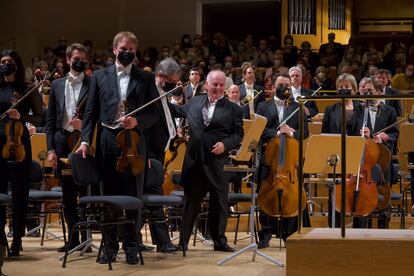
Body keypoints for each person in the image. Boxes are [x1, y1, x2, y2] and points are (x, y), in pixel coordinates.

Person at [76, 31, 159, 265]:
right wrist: (84, 140)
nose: (127, 53)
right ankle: (109, 246)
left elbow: (154, 114)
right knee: (107, 197)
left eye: (131, 50)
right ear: (114, 50)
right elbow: (90, 113)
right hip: (107, 140)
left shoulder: (145, 78)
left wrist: (138, 122)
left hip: (134, 141)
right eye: (123, 49)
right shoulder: (99, 77)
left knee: (133, 196)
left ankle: (132, 247)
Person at [172, 70, 243, 252]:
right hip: (194, 160)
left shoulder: (234, 109)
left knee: (219, 202)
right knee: (190, 202)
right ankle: (183, 242)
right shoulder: (195, 101)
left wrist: (225, 144)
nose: (219, 88)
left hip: (217, 161)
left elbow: (237, 135)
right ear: (207, 85)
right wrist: (168, 97)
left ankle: (219, 242)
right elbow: (177, 111)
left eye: (221, 85)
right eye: (215, 85)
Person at [256, 73, 310, 248]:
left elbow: (305, 132)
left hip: (290, 161)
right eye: (280, 85)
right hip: (269, 160)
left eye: (287, 85)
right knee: (265, 195)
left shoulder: (297, 107)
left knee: (291, 196)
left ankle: (289, 234)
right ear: (274, 85)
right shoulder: (263, 107)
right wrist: (277, 133)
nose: (284, 88)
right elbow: (260, 131)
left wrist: (292, 132)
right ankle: (265, 235)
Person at [46, 43, 91, 252]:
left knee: (85, 191)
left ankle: (87, 239)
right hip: (63, 143)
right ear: (67, 60)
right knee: (68, 194)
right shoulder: (56, 85)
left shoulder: (93, 83)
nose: (79, 61)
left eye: (83, 58)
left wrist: (85, 126)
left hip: (84, 142)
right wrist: (51, 149)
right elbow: (50, 121)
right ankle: (73, 239)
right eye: (75, 58)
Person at [0, 49, 43, 256]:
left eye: (10, 61)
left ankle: (17, 239)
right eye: (3, 61)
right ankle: (1, 240)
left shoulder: (28, 88)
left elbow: (40, 118)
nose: (6, 65)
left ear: (17, 63)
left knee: (19, 195)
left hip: (19, 146)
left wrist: (21, 115)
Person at [145, 58, 182, 253]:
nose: (174, 85)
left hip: (159, 153)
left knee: (150, 198)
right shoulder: (149, 92)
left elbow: (168, 115)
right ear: (160, 76)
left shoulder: (163, 93)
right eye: (172, 81)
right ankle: (162, 241)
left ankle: (137, 240)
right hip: (149, 155)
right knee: (154, 197)